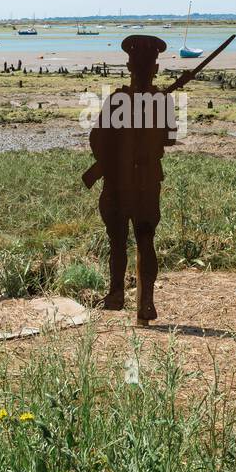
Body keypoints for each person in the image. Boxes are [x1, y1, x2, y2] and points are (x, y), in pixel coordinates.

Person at [86, 35, 176, 325]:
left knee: (119, 242)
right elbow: (170, 139)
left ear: (129, 65)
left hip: (119, 181)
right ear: (156, 68)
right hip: (146, 181)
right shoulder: (163, 101)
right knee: (145, 240)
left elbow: (96, 141)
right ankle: (144, 304)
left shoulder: (117, 100)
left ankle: (117, 296)